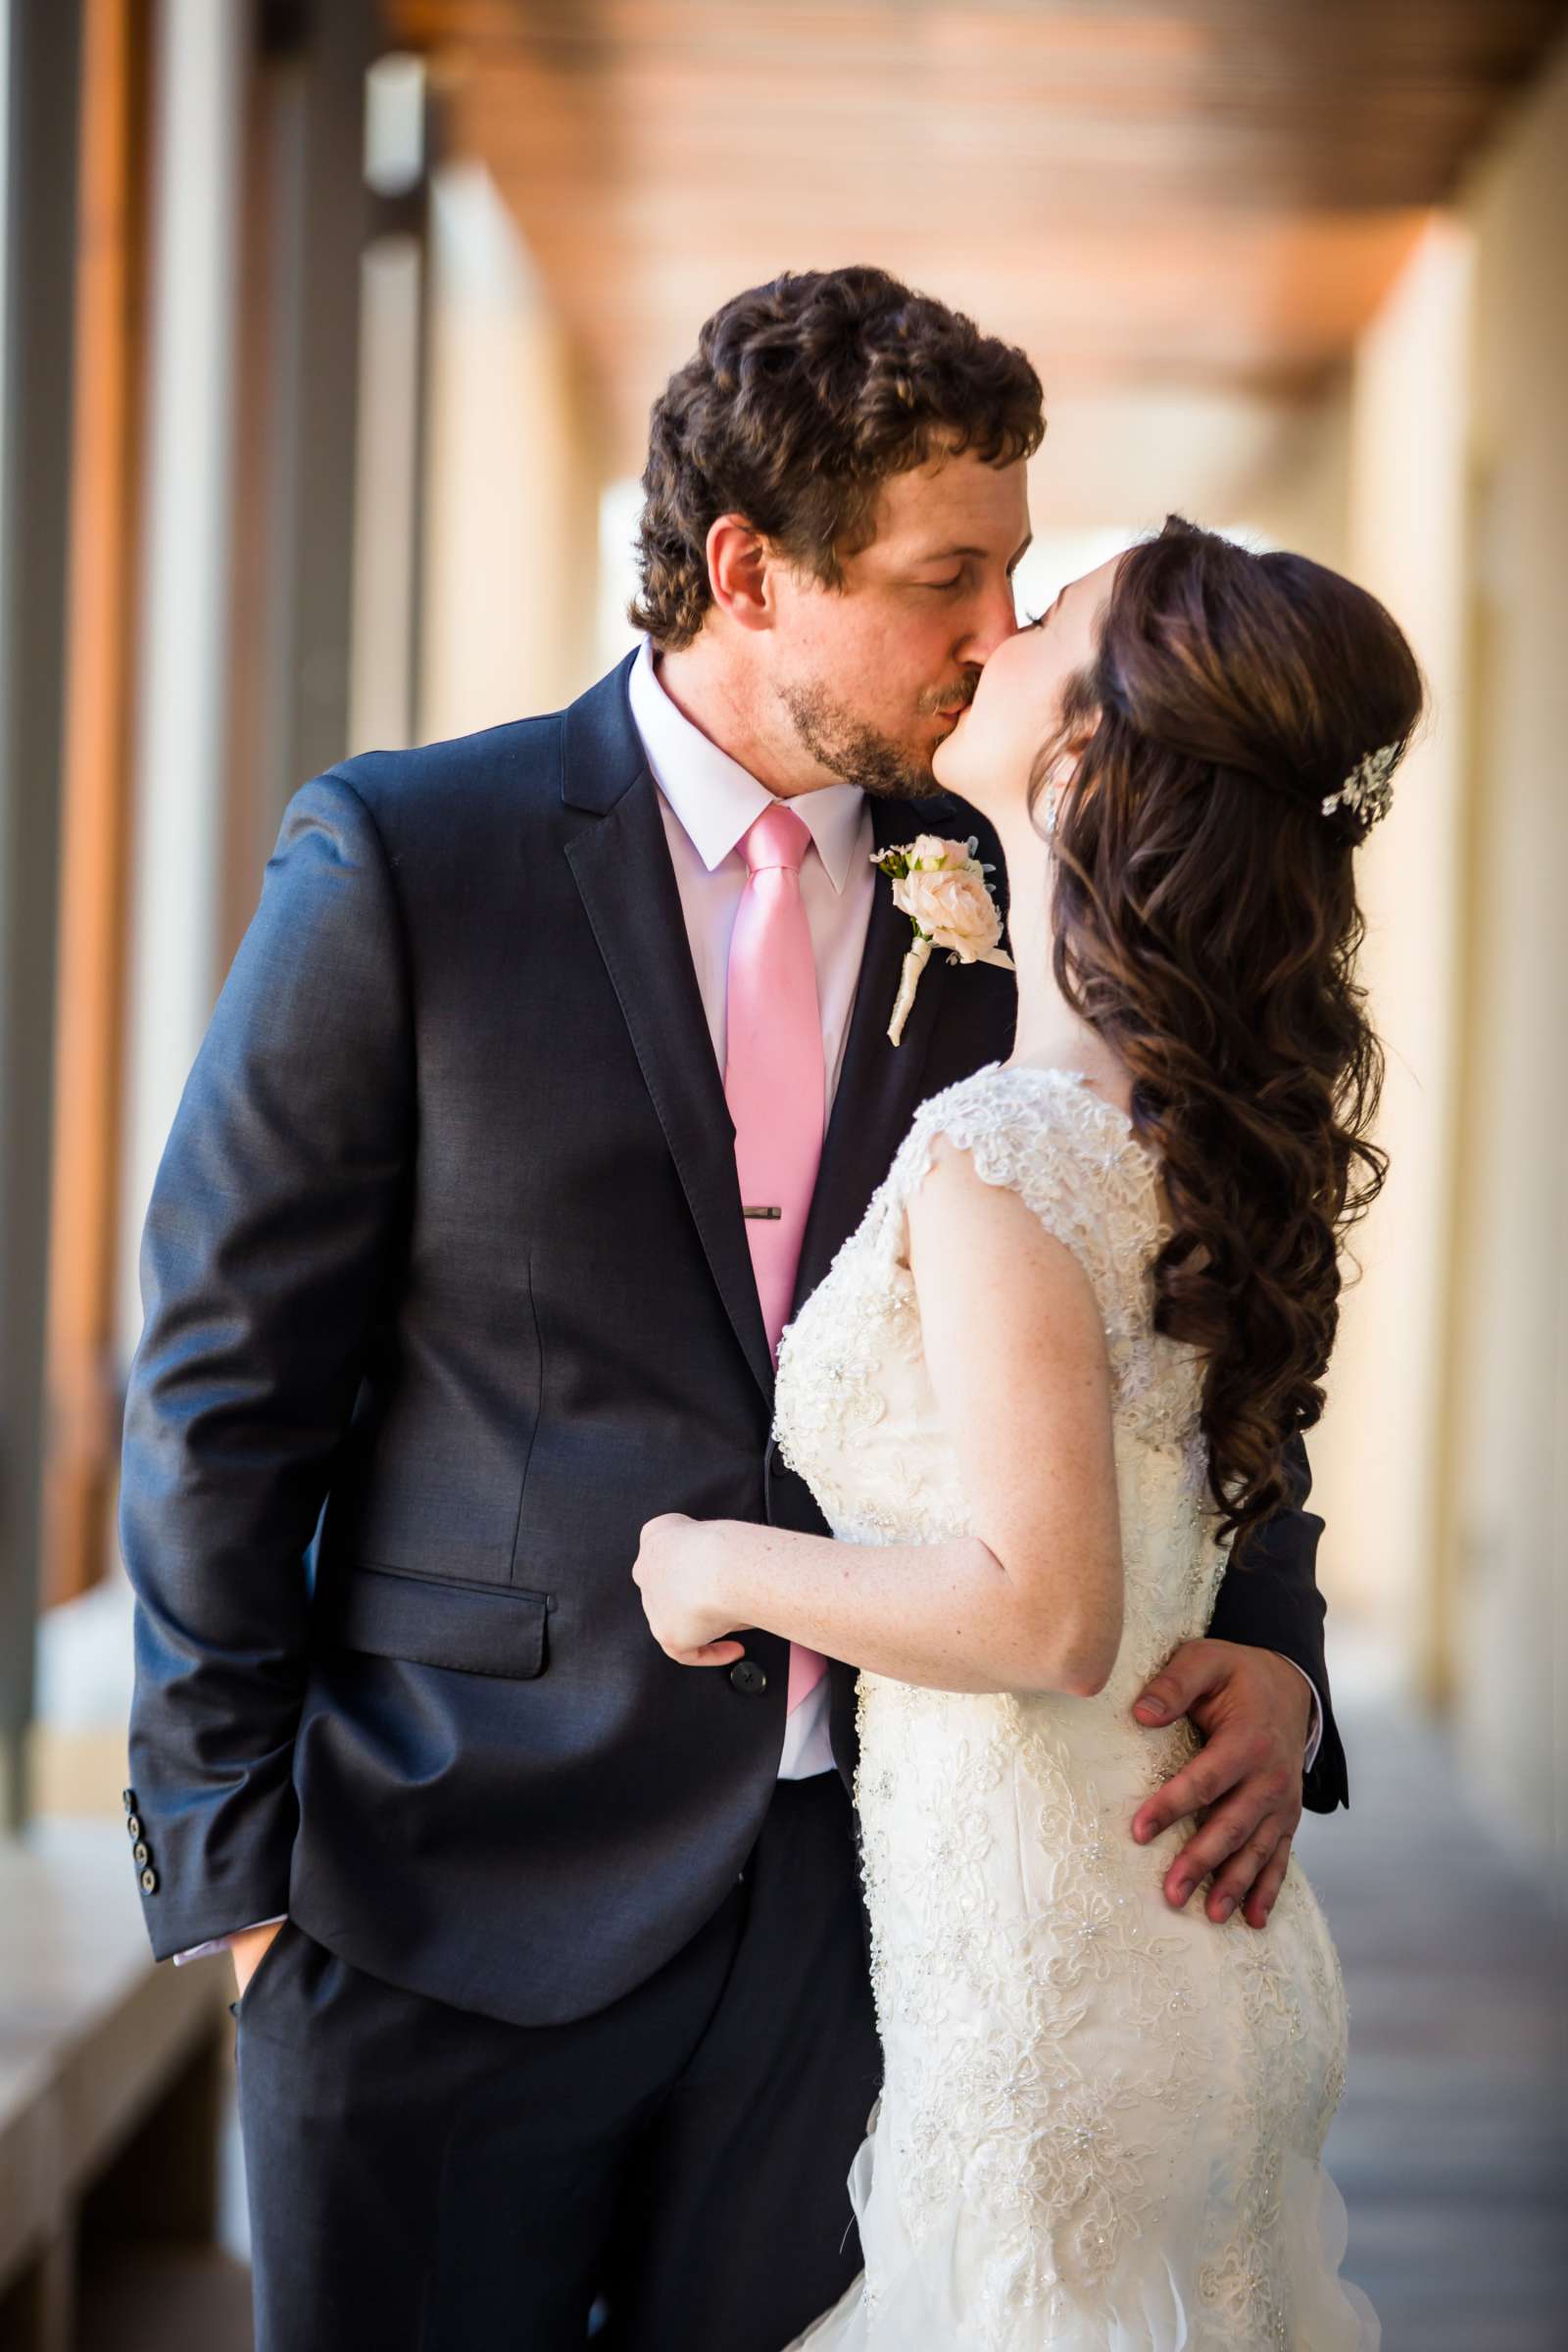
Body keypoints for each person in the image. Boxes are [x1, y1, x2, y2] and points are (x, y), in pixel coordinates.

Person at [121, 269, 1343, 2352]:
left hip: (855, 1921)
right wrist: (238, 1887)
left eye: (1012, 576)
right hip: (437, 1892)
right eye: (943, 576)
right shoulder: (412, 859)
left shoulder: (1016, 884)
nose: (990, 630)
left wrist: (1275, 1645)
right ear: (744, 569)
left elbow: (1184, 1281)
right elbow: (225, 1385)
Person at [634, 514, 1421, 2346]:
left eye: (1051, 609)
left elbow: (1049, 1615)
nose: (1003, 619)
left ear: (1084, 755)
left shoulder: (1011, 1146)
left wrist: (716, 1560)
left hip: (1054, 1987)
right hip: (1175, 1948)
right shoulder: (1182, 1122)